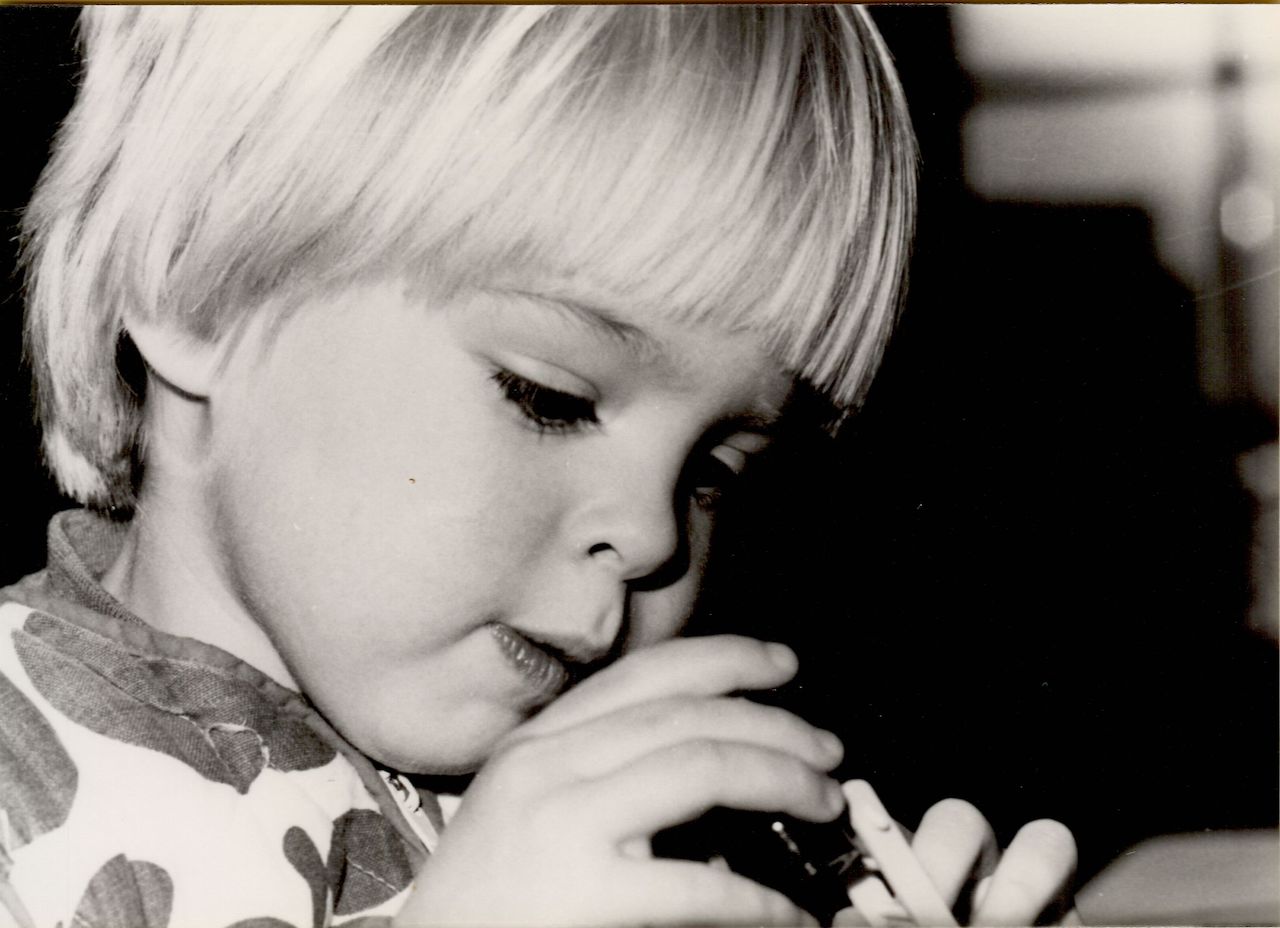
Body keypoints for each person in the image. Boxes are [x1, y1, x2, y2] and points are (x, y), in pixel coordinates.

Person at [0, 7, 1075, 927]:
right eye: (548, 398)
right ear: (196, 288)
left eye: (713, 468)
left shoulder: (608, 816)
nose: (655, 534)